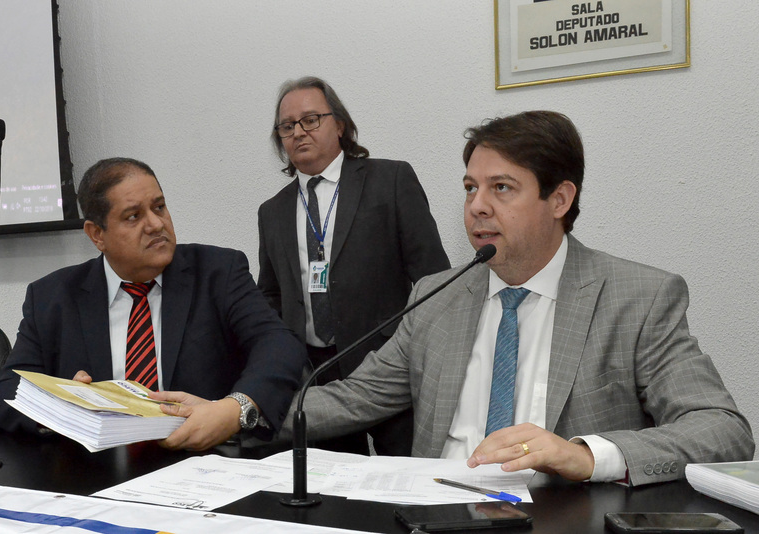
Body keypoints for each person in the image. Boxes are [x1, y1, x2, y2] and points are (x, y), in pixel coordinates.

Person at [259, 110, 754, 485]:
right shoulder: (436, 297)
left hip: (560, 517)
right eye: (470, 188)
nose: (476, 206)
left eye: (501, 188)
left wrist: (586, 454)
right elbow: (351, 397)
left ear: (559, 199)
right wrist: (240, 411)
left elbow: (721, 429)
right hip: (435, 514)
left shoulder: (638, 298)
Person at [0, 157, 307, 450]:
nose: (156, 224)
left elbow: (279, 344)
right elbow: (6, 390)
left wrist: (235, 408)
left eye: (159, 207)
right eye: (133, 216)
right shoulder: (53, 297)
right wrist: (59, 409)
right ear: (97, 234)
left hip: (201, 462)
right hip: (96, 473)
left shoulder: (218, 273)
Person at [256, 76, 450, 455]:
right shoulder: (272, 211)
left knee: (405, 475)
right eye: (287, 126)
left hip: (388, 365)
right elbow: (271, 297)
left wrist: (422, 356)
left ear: (340, 125)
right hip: (315, 375)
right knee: (338, 484)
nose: (299, 132)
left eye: (311, 120)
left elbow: (433, 279)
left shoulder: (390, 180)